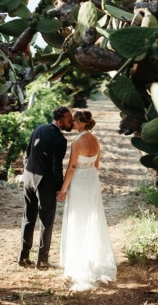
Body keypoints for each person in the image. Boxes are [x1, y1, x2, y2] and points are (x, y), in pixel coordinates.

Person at [56, 110, 117, 291]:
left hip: (80, 182)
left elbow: (72, 168)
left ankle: (79, 262)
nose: (72, 123)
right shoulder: (95, 140)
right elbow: (96, 165)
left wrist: (63, 190)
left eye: (74, 120)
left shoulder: (76, 143)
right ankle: (90, 257)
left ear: (81, 123)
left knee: (78, 219)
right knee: (91, 218)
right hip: (92, 180)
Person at [18, 106, 73, 269]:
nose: (72, 122)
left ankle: (23, 257)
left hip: (29, 178)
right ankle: (42, 260)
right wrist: (59, 187)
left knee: (28, 218)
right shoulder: (60, 139)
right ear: (59, 121)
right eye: (69, 120)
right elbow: (57, 167)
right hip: (45, 183)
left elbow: (28, 151)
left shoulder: (39, 128)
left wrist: (27, 170)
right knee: (46, 221)